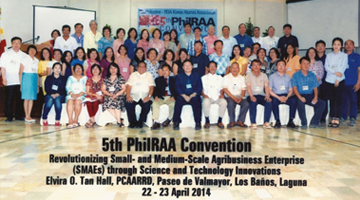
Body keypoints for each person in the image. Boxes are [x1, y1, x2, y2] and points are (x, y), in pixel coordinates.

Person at [292, 57, 325, 129]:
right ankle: (304, 123)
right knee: (300, 102)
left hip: (309, 95)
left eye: (308, 63)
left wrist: (316, 97)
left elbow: (315, 87)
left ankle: (314, 122)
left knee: (322, 103)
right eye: (304, 63)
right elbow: (294, 88)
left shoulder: (312, 75)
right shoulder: (295, 75)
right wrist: (300, 97)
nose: (306, 65)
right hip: (299, 95)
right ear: (300, 65)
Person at [0, 37, 26, 122]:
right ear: (11, 44)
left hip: (20, 81)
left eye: (18, 43)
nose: (16, 45)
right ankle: (9, 116)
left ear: (20, 45)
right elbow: (2, 67)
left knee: (20, 100)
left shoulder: (24, 55)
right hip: (9, 81)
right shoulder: (6, 54)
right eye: (14, 43)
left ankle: (19, 115)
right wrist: (4, 78)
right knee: (9, 99)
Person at [324, 37, 347, 128]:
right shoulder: (328, 56)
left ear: (341, 46)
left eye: (338, 44)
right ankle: (332, 117)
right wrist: (334, 72)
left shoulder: (344, 56)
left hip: (340, 80)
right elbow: (327, 67)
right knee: (332, 100)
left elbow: (342, 67)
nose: (336, 46)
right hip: (329, 80)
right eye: (334, 44)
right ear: (332, 45)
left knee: (338, 100)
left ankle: (337, 118)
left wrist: (337, 79)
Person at [173, 60, 203, 130]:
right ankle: (176, 122)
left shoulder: (197, 75)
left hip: (193, 95)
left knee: (196, 100)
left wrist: (193, 94)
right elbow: (177, 87)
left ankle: (198, 122)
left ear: (192, 67)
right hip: (183, 95)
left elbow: (199, 87)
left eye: (189, 65)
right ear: (183, 67)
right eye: (185, 65)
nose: (187, 67)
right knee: (178, 101)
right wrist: (184, 95)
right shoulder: (179, 76)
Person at [125, 62, 154, 128]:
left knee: (147, 105)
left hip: (145, 95)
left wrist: (149, 96)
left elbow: (151, 87)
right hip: (133, 95)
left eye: (143, 66)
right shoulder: (133, 75)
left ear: (146, 68)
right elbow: (128, 86)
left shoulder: (149, 75)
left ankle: (141, 121)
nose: (142, 68)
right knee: (128, 104)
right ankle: (133, 122)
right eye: (140, 66)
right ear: (137, 68)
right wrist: (128, 96)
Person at [269, 60, 297, 129]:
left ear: (285, 67)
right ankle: (277, 121)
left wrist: (287, 97)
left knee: (293, 101)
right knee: (274, 101)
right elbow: (269, 90)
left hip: (286, 95)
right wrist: (278, 97)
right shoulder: (272, 77)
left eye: (283, 65)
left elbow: (291, 90)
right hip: (276, 95)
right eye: (279, 65)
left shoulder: (288, 77)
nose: (281, 67)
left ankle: (291, 121)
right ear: (276, 67)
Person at [246, 59, 272, 129]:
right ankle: (253, 122)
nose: (256, 67)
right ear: (251, 67)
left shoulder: (264, 75)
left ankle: (266, 122)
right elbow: (248, 86)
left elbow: (266, 86)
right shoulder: (248, 75)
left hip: (261, 95)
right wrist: (251, 96)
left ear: (260, 66)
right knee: (253, 102)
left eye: (258, 65)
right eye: (254, 65)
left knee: (268, 102)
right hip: (251, 95)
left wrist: (267, 96)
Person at [223, 62, 249, 128]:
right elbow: (225, 89)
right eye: (233, 68)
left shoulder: (242, 78)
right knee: (231, 103)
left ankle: (240, 121)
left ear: (239, 69)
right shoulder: (226, 77)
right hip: (229, 96)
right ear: (230, 69)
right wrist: (233, 97)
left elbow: (243, 89)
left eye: (236, 68)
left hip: (239, 96)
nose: (235, 69)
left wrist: (241, 97)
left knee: (246, 104)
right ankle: (232, 121)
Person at [202, 61, 227, 128]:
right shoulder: (203, 78)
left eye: (214, 66)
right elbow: (201, 89)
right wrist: (204, 95)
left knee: (224, 102)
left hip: (217, 96)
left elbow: (222, 89)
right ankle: (207, 121)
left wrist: (222, 94)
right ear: (208, 68)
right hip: (208, 96)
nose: (212, 68)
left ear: (216, 68)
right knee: (206, 102)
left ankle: (220, 120)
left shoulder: (220, 78)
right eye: (211, 66)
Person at [341, 40, 360, 126]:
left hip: (353, 83)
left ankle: (352, 118)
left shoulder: (357, 56)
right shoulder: (341, 56)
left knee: (353, 101)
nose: (348, 46)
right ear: (344, 46)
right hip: (342, 82)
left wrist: (358, 82)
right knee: (343, 101)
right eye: (346, 44)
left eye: (350, 44)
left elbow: (359, 70)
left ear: (353, 46)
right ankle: (343, 117)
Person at [151, 64, 176, 129]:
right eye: (163, 70)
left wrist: (174, 96)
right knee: (155, 104)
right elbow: (155, 89)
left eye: (166, 70)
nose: (164, 72)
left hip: (170, 97)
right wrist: (156, 96)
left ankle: (169, 118)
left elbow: (177, 89)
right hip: (161, 97)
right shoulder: (158, 79)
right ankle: (156, 121)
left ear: (170, 71)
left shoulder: (174, 79)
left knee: (173, 104)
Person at [101, 63, 126, 127]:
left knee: (116, 102)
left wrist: (116, 94)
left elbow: (124, 89)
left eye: (115, 68)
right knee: (106, 103)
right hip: (109, 95)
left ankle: (119, 121)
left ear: (117, 69)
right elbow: (103, 89)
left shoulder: (120, 78)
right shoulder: (106, 78)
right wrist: (110, 94)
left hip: (119, 95)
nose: (113, 70)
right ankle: (119, 120)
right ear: (109, 69)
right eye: (111, 68)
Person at [42, 62, 66, 126]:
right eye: (55, 68)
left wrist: (58, 94)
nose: (57, 70)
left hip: (60, 95)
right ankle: (44, 118)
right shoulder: (48, 78)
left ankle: (57, 120)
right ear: (53, 69)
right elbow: (46, 88)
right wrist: (51, 94)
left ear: (61, 70)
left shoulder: (64, 78)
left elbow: (64, 89)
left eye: (59, 68)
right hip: (49, 95)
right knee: (50, 100)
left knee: (57, 100)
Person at [19, 45, 39, 123]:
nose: (32, 52)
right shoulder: (24, 59)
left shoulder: (37, 60)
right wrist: (21, 84)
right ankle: (26, 115)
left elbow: (37, 73)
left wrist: (38, 85)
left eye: (34, 50)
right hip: (26, 78)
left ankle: (29, 115)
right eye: (31, 50)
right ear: (28, 51)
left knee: (31, 98)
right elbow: (20, 72)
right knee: (26, 98)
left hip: (34, 78)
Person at [65, 64, 87, 128]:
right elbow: (67, 87)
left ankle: (76, 119)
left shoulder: (85, 78)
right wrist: (72, 94)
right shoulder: (70, 78)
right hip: (71, 95)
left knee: (78, 101)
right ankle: (70, 120)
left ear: (82, 70)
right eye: (76, 68)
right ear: (74, 70)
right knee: (70, 101)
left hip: (81, 95)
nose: (78, 70)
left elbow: (85, 88)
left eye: (80, 68)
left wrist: (78, 95)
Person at [315, 40, 328, 124]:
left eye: (322, 45)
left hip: (325, 82)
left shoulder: (328, 58)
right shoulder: (313, 58)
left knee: (324, 100)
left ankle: (323, 117)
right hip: (314, 83)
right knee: (315, 99)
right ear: (316, 48)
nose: (320, 47)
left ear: (324, 48)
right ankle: (316, 116)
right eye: (318, 46)